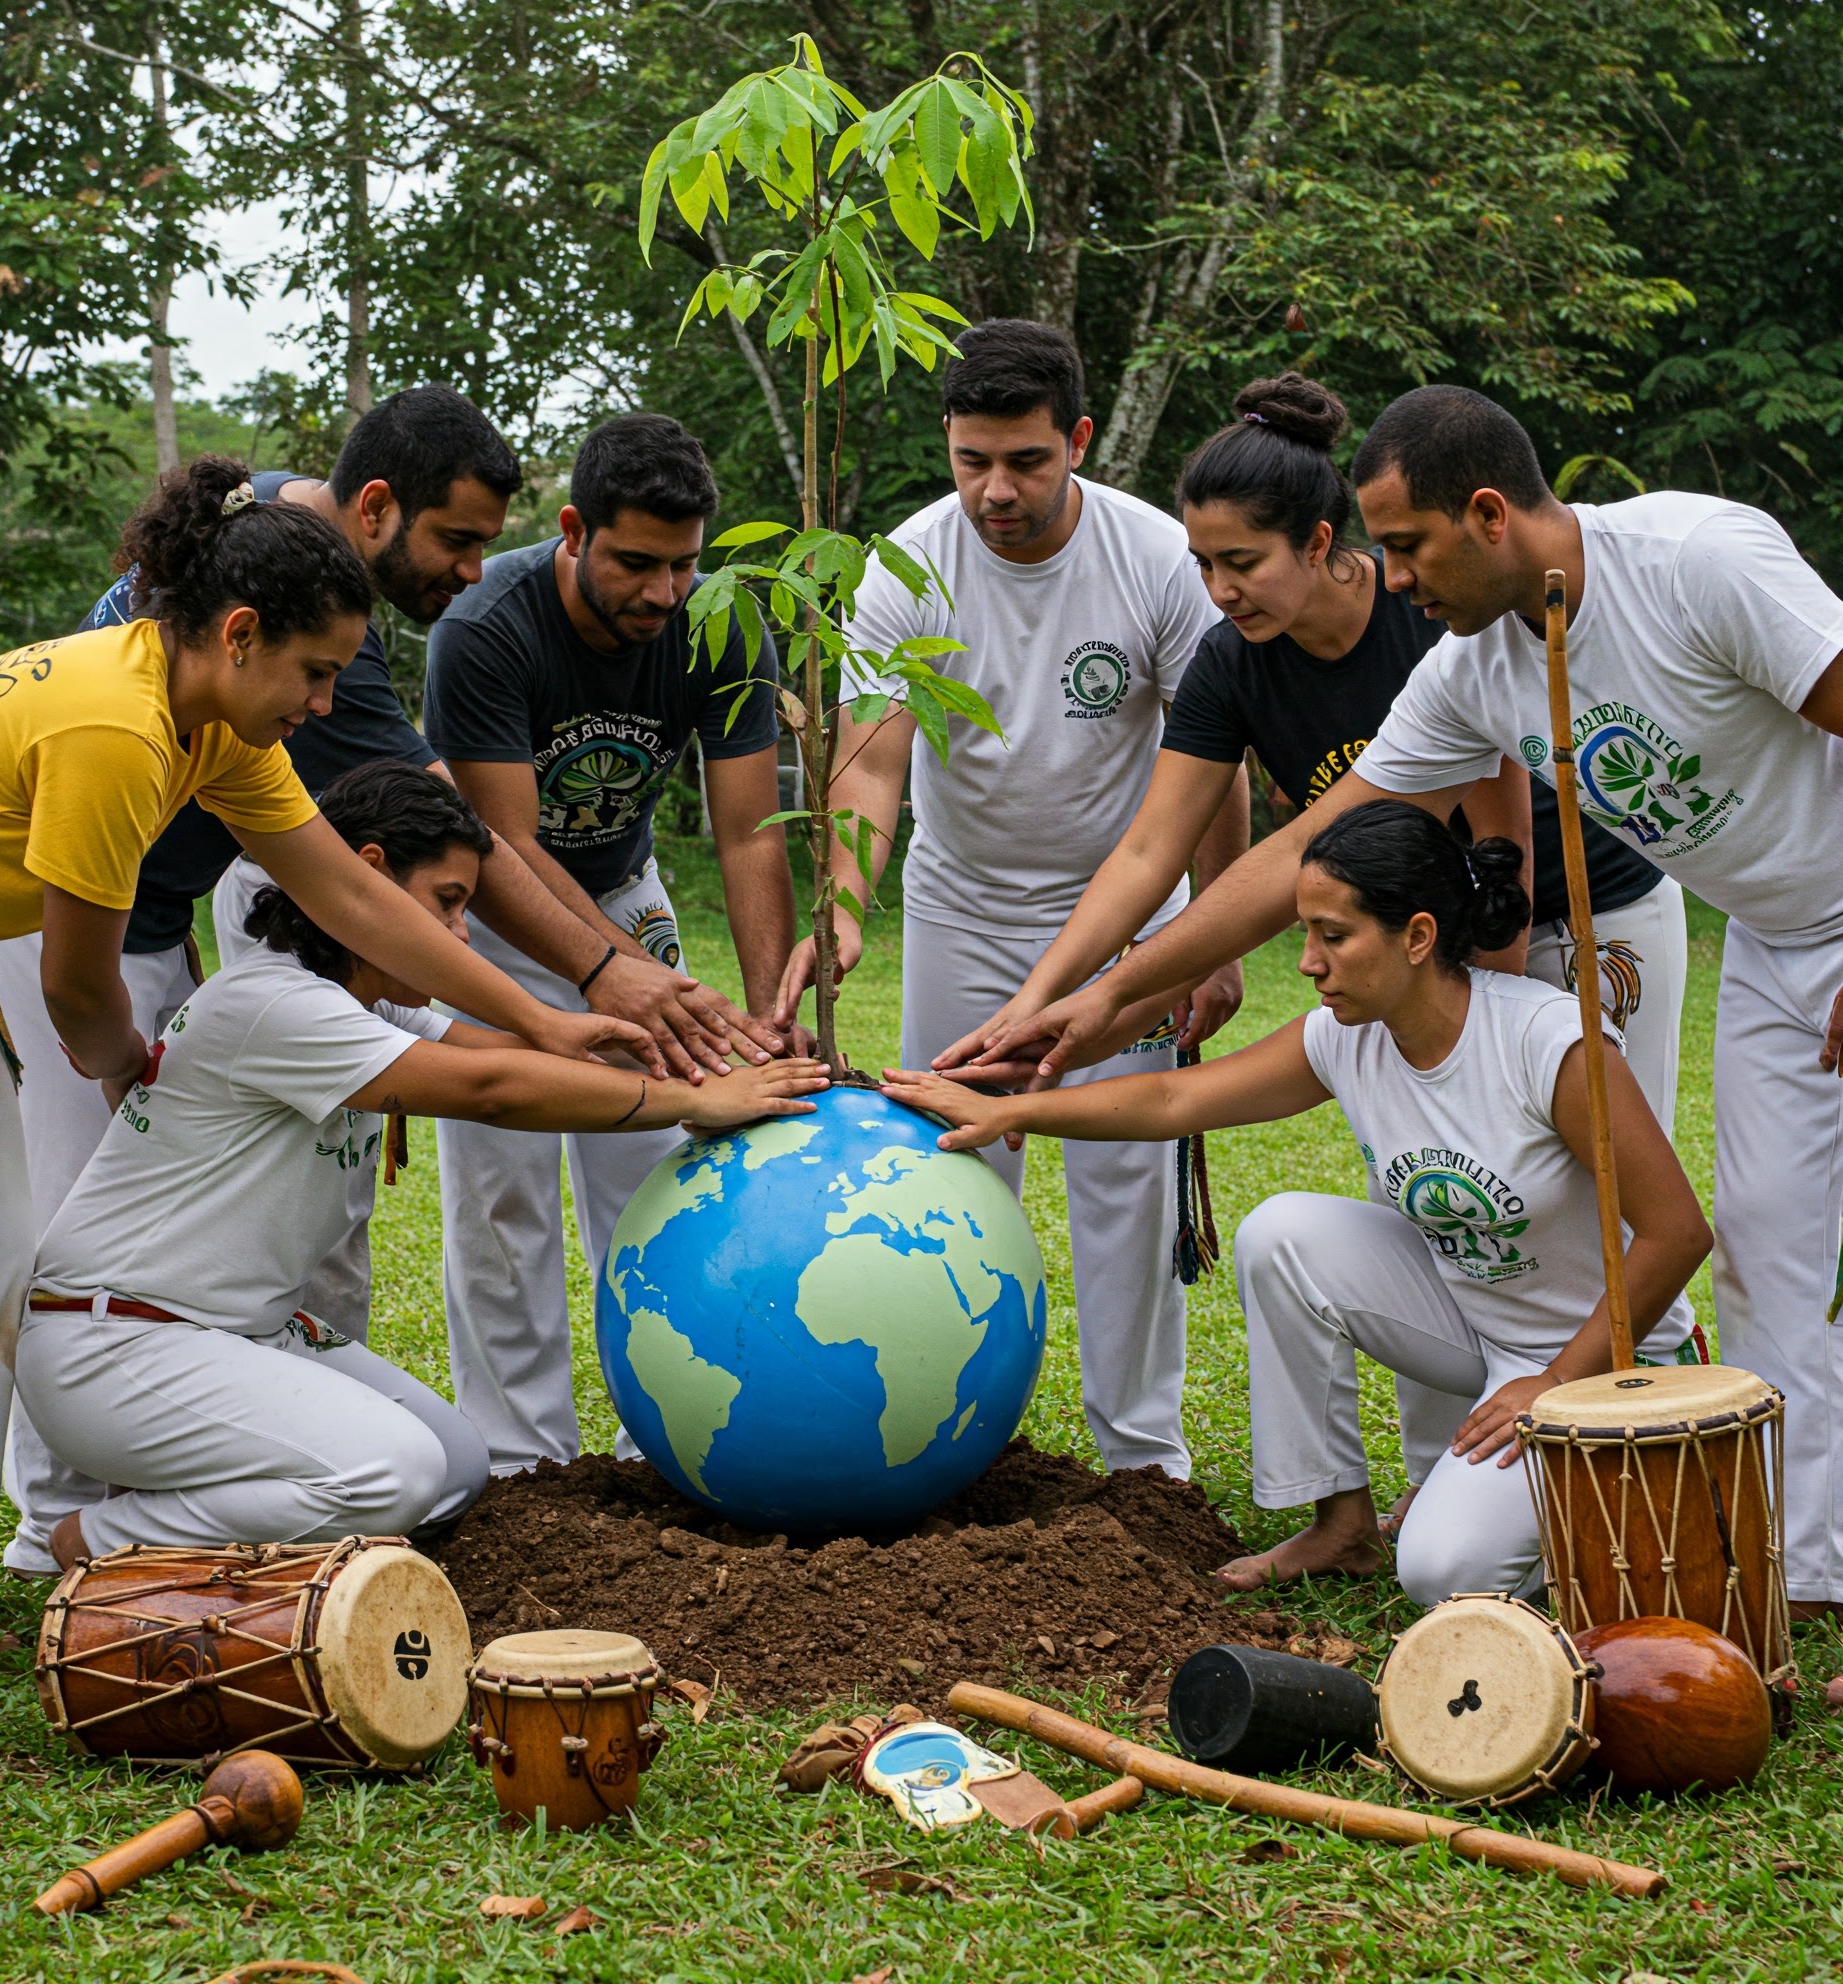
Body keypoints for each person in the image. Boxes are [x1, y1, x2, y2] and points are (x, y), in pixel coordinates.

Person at [0, 456, 649, 1730]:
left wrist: (542, 1015)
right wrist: (125, 1061)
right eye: (314, 673)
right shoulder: (114, 727)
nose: (323, 702)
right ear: (238, 633)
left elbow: (350, 894)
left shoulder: (210, 726)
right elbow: (85, 982)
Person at [977, 384, 1843, 1618]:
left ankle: (1623, 1399)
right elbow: (1294, 858)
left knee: (1658, 1210)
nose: (1388, 576)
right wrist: (1099, 995)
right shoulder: (1471, 670)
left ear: (1486, 514)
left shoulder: (1696, 560)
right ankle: (1804, 1583)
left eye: (1403, 545)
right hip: (1768, 935)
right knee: (1763, 1239)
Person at [887, 803, 1712, 1603]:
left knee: (1440, 1573)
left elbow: (1678, 1233)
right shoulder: (1348, 1037)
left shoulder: (1549, 1043)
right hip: (1481, 1332)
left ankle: (1620, 1496)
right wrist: (1012, 1109)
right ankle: (1340, 1523)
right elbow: (1175, 1101)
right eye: (1305, 933)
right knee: (1281, 1232)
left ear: (1418, 936)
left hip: (1601, 1357)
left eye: (1334, 936)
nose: (1309, 962)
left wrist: (1555, 1384)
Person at [18, 760, 826, 1563]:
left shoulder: (366, 1005)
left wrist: (699, 1062)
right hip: (119, 1346)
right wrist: (691, 1104)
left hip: (239, 1337)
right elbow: (491, 1088)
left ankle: (204, 1503)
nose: (462, 934)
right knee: (395, 1475)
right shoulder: (275, 1004)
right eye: (449, 901)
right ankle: (99, 1538)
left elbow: (517, 1056)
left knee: (455, 1467)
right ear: (370, 873)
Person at [941, 373, 1685, 1128]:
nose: (1221, 589)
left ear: (1317, 541)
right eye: (1203, 564)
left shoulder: (1435, 617)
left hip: (1579, 912)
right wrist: (1044, 999)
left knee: (1599, 1184)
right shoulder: (1229, 665)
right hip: (1421, 946)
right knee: (1441, 1181)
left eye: (1243, 561)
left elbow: (1506, 846)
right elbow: (1148, 853)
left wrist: (1490, 1028)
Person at [771, 320, 1248, 1478]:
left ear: (1076, 440)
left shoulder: (1153, 559)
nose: (995, 489)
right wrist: (841, 904)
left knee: (1123, 1185)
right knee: (947, 1173)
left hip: (1121, 930)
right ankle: (954, 1446)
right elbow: (873, 761)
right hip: (959, 910)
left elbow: (1215, 760)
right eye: (971, 457)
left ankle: (1141, 1462)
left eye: (1025, 460)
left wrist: (1207, 939)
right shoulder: (901, 566)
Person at [423, 413, 800, 1474]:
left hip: (624, 899)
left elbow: (744, 830)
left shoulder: (719, 624)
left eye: (682, 565)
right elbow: (499, 841)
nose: (662, 594)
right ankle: (521, 1462)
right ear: (573, 529)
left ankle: (664, 1445)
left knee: (656, 1171)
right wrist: (611, 973)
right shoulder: (483, 621)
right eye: (636, 562)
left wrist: (765, 1007)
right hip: (498, 919)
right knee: (502, 1200)